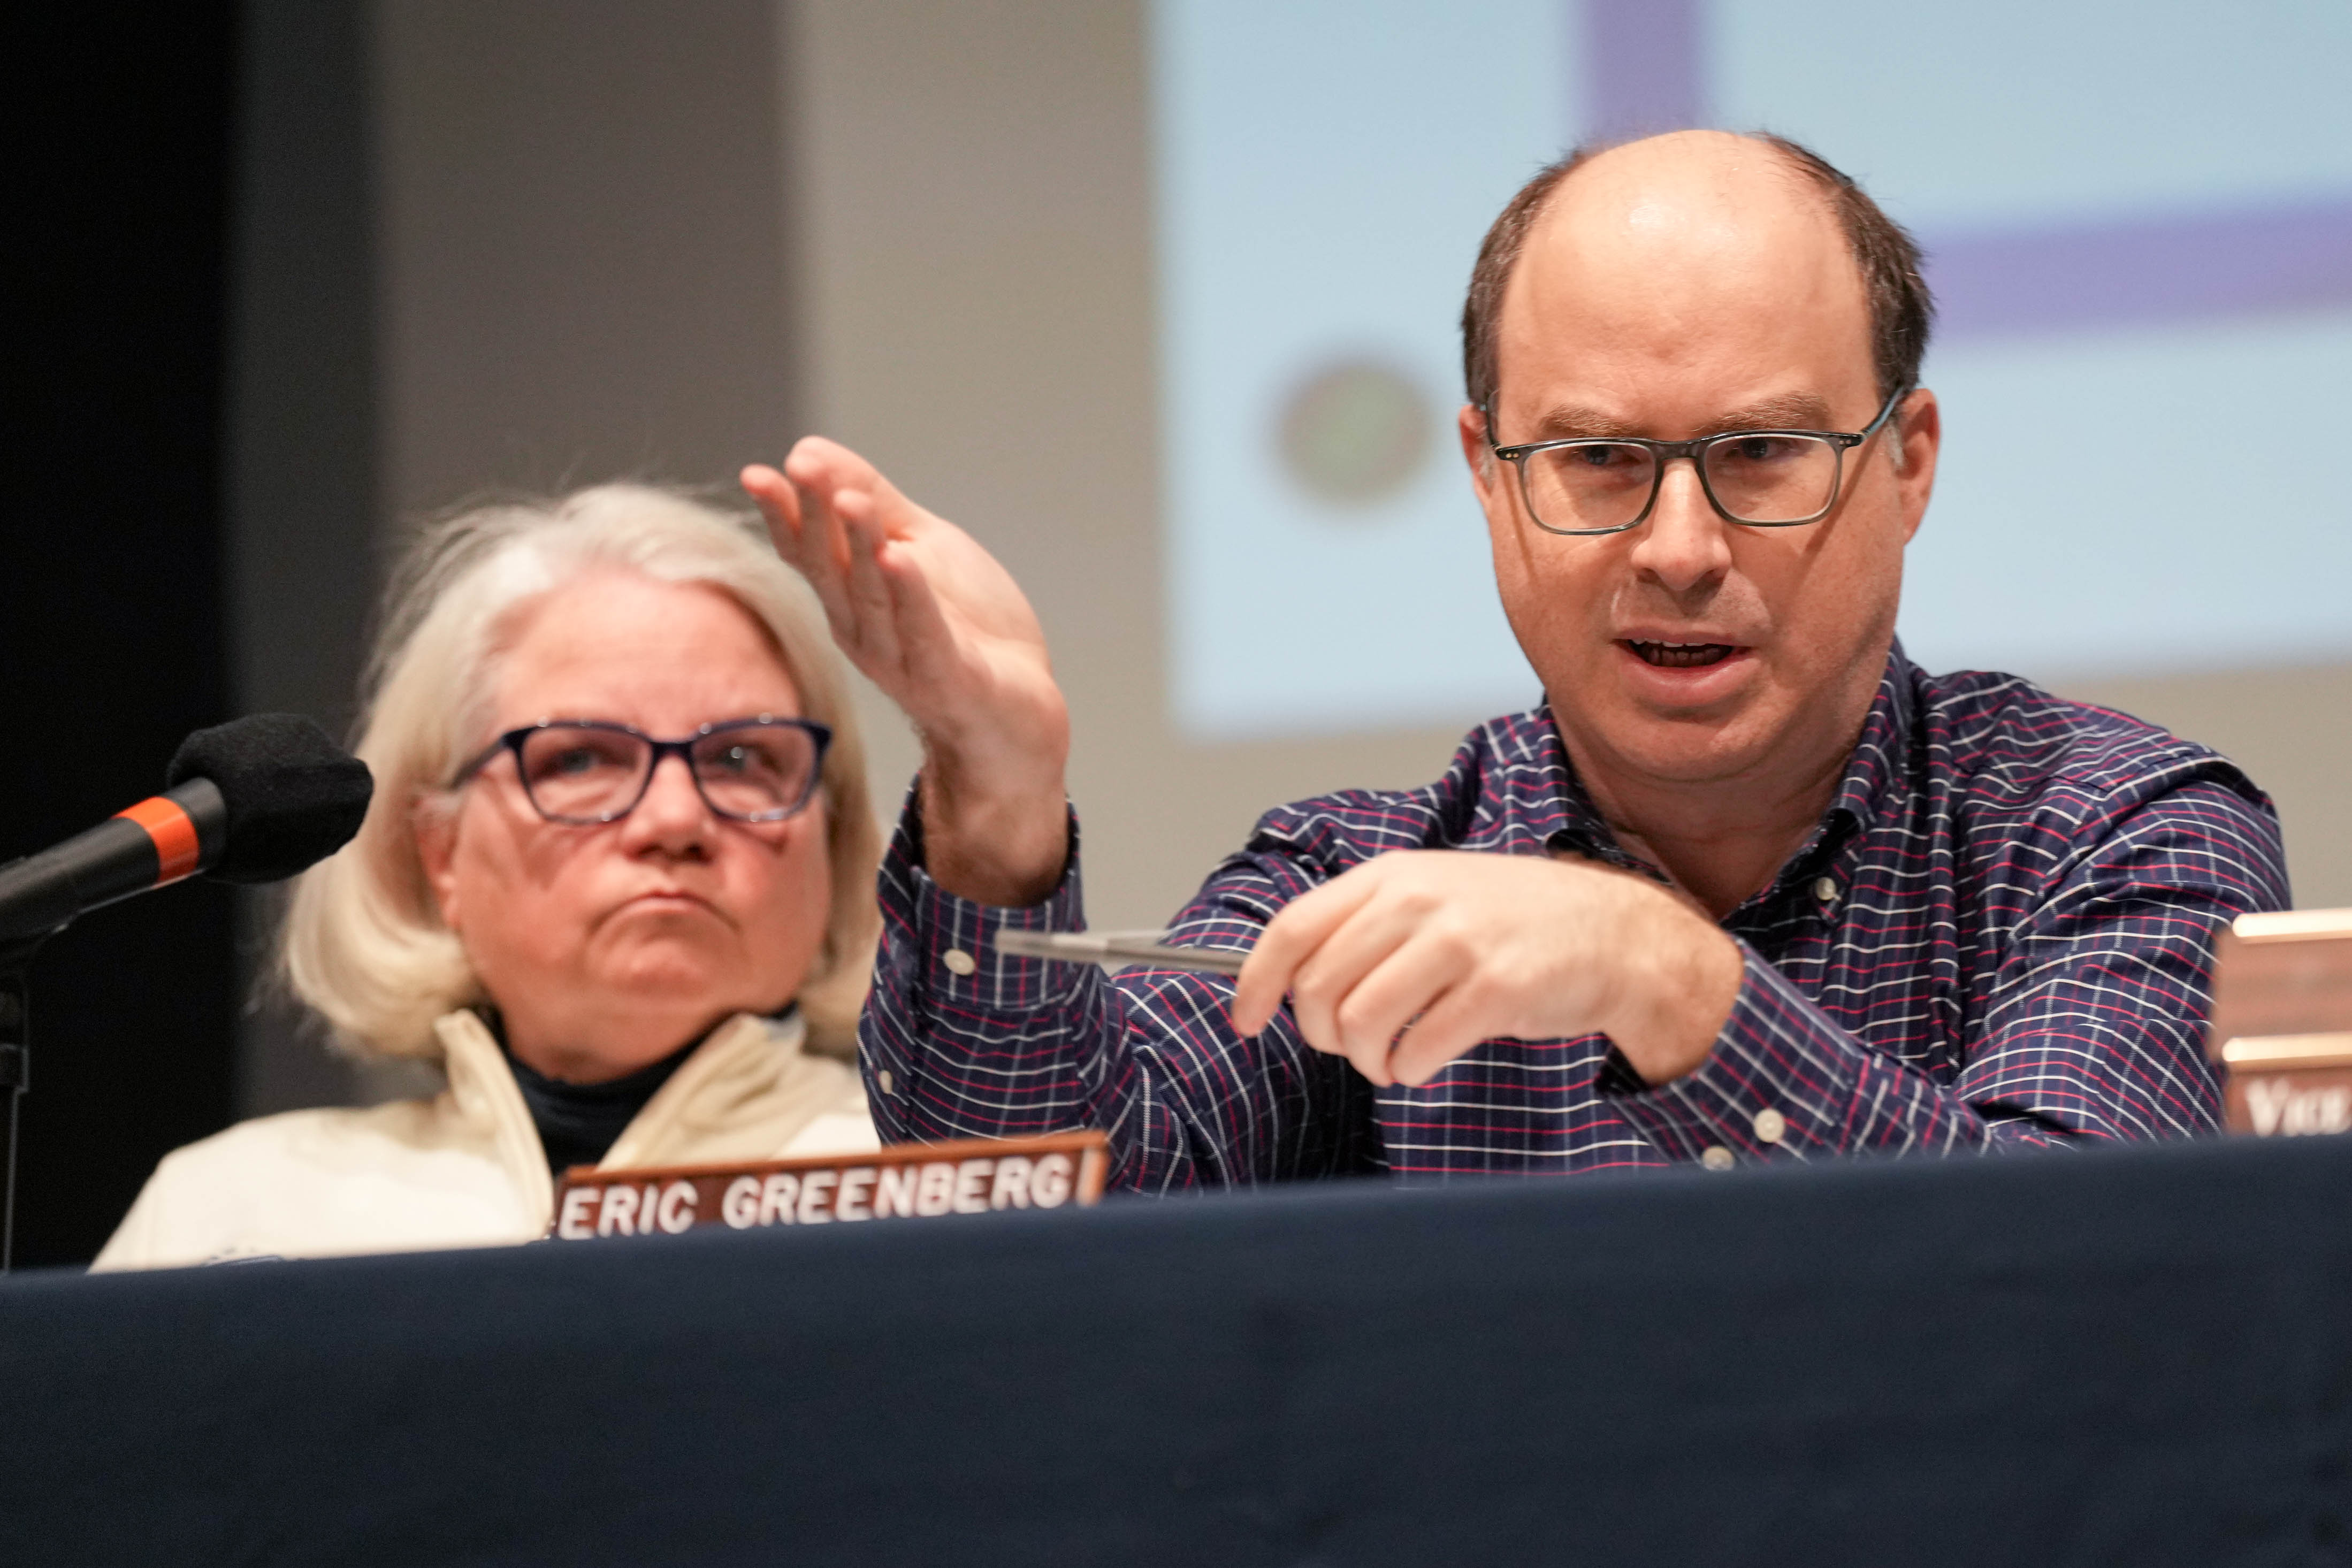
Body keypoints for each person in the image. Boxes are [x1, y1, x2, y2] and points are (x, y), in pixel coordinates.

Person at [744, 129, 2289, 1189]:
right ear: (1487, 475)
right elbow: (1042, 1216)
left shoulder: (2114, 827)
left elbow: (2085, 1279)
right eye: (1597, 460)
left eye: (1759, 452)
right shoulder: (1361, 870)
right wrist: (1001, 803)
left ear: (1908, 464)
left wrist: (1674, 985)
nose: (1676, 545)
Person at [95, 485, 883, 1267]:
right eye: (579, 759)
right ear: (439, 854)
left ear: (834, 837)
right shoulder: (229, 1216)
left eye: (744, 760)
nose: (677, 821)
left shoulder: (942, 1183)